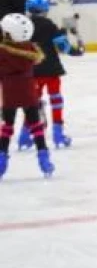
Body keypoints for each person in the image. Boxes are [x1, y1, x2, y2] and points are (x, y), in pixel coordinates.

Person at [19, 0, 81, 150]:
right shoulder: (49, 25)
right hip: (51, 70)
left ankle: (25, 136)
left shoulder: (23, 27)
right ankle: (58, 135)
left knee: (33, 104)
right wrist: (76, 51)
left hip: (31, 72)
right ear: (45, 10)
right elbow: (63, 47)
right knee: (56, 101)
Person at [0, 13, 54, 178]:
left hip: (10, 93)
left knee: (7, 127)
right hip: (29, 92)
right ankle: (43, 158)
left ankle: (1, 160)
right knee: (36, 125)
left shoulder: (3, 52)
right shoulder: (30, 48)